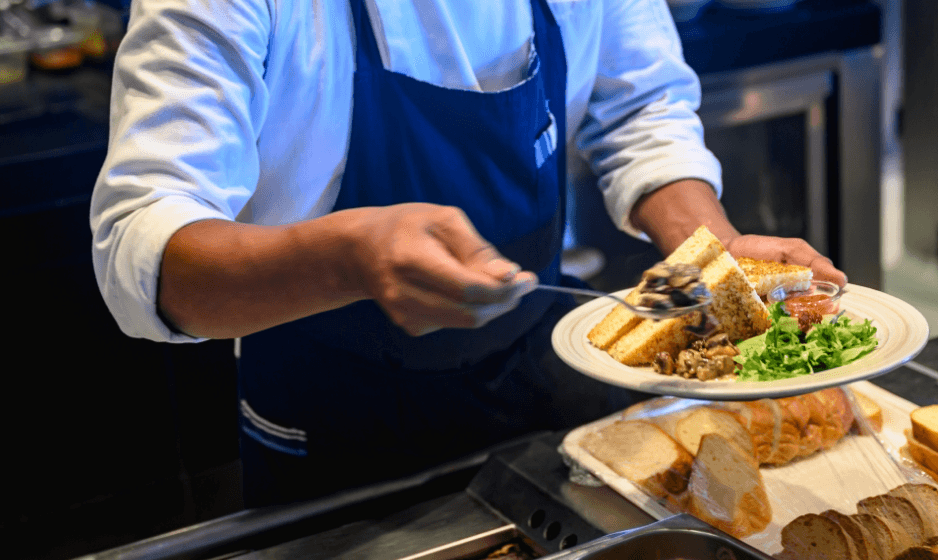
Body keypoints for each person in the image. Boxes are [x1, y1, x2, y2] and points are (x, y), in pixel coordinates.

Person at [90, 0, 846, 507]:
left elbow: (641, 107)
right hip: (331, 416)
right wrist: (347, 257)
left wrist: (710, 257)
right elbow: (143, 246)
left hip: (533, 381)